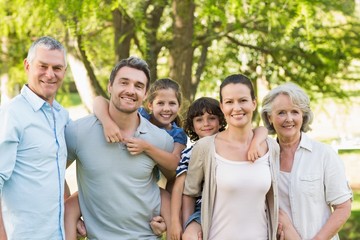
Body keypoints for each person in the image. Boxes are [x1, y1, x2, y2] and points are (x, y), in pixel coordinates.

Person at [65, 56, 175, 239]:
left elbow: (174, 179)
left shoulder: (160, 140)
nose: (130, 90)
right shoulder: (78, 132)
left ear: (146, 94)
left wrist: (169, 217)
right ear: (110, 86)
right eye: (124, 82)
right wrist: (68, 211)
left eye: (138, 86)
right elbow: (53, 172)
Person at [183, 74, 280, 240]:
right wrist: (189, 226)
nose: (237, 108)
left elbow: (275, 198)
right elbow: (189, 193)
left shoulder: (271, 148)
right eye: (229, 102)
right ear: (222, 106)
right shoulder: (206, 147)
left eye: (243, 100)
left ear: (253, 103)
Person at [260, 82, 352, 240]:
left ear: (303, 116)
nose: (289, 119)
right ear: (270, 117)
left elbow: (343, 207)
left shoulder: (324, 154)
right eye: (281, 113)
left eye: (295, 112)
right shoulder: (264, 156)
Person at [169, 97, 269, 240]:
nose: (206, 124)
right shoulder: (190, 153)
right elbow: (181, 189)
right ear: (191, 125)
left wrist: (256, 143)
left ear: (221, 120)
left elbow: (261, 129)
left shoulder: (231, 143)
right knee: (189, 236)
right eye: (199, 120)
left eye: (211, 118)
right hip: (204, 210)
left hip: (236, 204)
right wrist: (178, 223)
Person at [0, 36, 69, 239]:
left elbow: (55, 168)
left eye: (57, 68)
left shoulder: (62, 115)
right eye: (43, 66)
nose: (50, 74)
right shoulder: (12, 114)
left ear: (64, 71)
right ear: (27, 66)